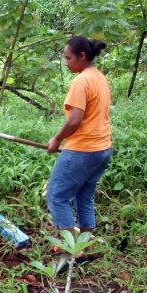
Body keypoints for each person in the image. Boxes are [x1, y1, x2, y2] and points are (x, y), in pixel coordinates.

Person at [46, 36, 112, 239]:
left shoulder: (80, 81)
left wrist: (56, 139)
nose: (66, 63)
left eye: (69, 58)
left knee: (56, 196)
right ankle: (86, 246)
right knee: (83, 197)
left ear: (82, 56)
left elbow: (75, 120)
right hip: (102, 149)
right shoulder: (99, 77)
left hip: (83, 150)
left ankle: (72, 252)